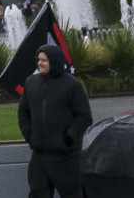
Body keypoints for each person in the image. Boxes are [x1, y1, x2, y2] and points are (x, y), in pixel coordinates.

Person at [19, 42, 93, 198]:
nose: (40, 63)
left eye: (44, 60)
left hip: (65, 158)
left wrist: (68, 138)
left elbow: (84, 116)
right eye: (39, 59)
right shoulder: (31, 83)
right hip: (39, 156)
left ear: (55, 62)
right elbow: (23, 112)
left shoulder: (72, 85)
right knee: (38, 194)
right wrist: (29, 135)